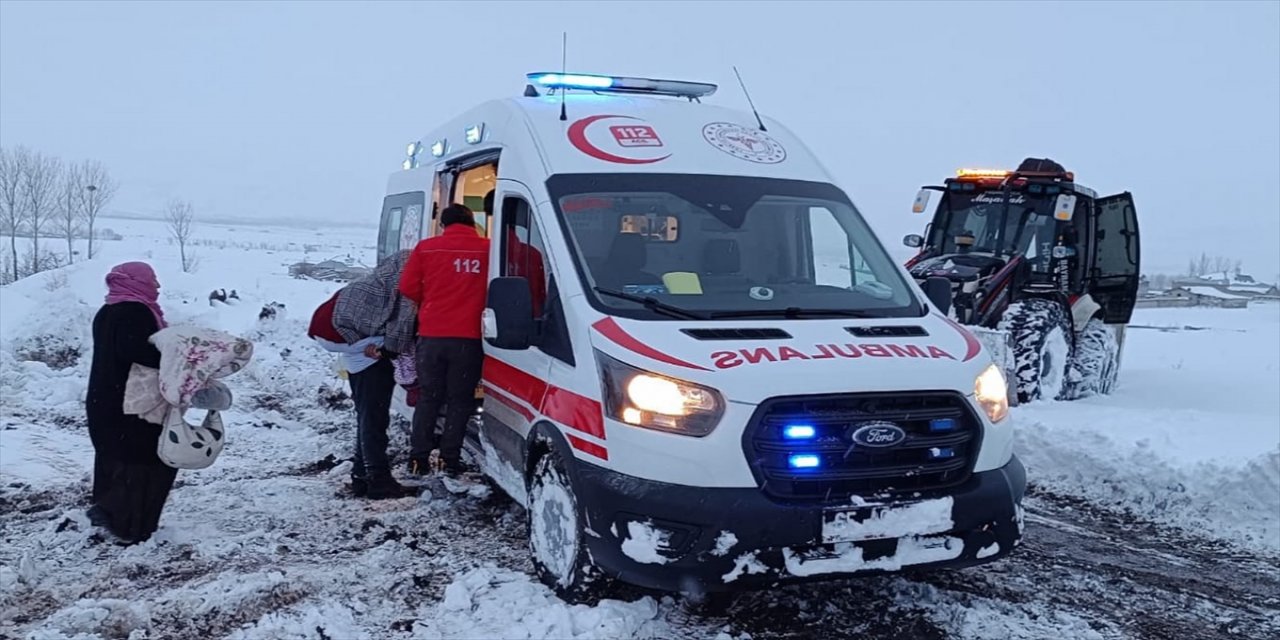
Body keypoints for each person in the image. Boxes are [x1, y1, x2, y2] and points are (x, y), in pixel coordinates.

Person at [85, 262, 175, 543]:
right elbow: (141, 354)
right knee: (143, 460)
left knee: (114, 456)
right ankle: (130, 526)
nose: (157, 285)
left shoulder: (107, 310)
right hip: (131, 403)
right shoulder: (135, 312)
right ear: (137, 282)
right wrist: (179, 356)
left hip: (105, 398)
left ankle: (106, 510)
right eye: (153, 279)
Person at [400, 204, 490, 476]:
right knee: (460, 400)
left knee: (428, 398)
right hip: (469, 339)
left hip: (432, 337)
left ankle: (418, 459)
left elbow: (407, 287)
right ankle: (450, 459)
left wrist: (433, 302)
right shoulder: (489, 250)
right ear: (473, 223)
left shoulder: (427, 248)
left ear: (443, 225)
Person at [325, 250, 419, 499]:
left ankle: (360, 477)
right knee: (374, 420)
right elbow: (400, 328)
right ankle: (378, 480)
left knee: (367, 416)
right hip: (371, 358)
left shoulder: (370, 285)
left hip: (355, 354)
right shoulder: (401, 292)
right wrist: (389, 350)